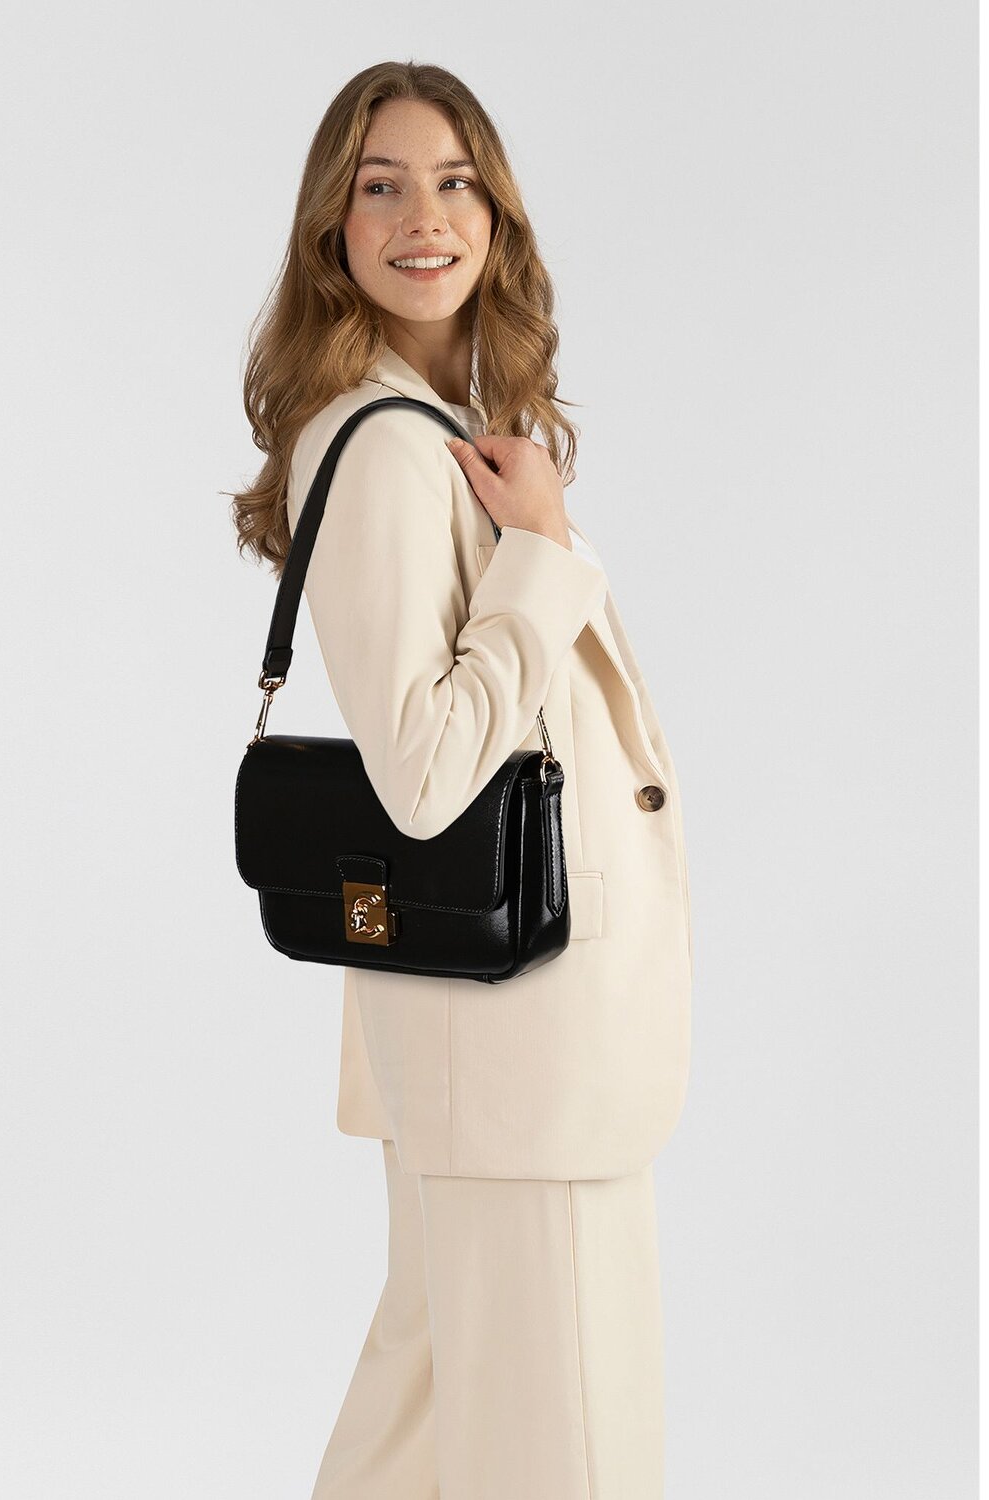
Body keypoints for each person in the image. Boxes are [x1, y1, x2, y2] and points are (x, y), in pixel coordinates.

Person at [230, 60, 693, 1500]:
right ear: (334, 227)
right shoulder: (379, 451)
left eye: (454, 183)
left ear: (496, 215)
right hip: (516, 1047)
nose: (423, 219)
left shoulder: (435, 430)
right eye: (382, 186)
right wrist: (541, 554)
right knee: (564, 1458)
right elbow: (426, 772)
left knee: (423, 1443)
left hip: (495, 1044)